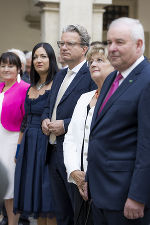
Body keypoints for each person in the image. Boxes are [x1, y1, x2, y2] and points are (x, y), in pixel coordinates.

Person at [85, 17, 150, 225]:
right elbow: (100, 133)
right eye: (109, 42)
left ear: (139, 44)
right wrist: (90, 179)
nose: (111, 48)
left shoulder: (146, 80)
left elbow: (147, 145)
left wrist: (138, 196)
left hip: (127, 197)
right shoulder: (113, 77)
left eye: (119, 42)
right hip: (101, 192)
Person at [41, 24, 97, 225]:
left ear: (84, 48)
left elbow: (93, 112)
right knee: (61, 212)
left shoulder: (91, 74)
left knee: (77, 213)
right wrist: (45, 119)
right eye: (61, 43)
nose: (63, 47)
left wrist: (65, 124)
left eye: (69, 44)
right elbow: (49, 105)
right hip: (53, 150)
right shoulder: (60, 74)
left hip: (74, 156)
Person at [63, 44, 114, 225]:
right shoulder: (85, 97)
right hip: (80, 183)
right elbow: (70, 138)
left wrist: (92, 179)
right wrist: (75, 172)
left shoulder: (119, 98)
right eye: (91, 61)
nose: (93, 64)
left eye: (100, 60)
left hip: (107, 185)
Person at [13, 42, 58, 225]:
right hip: (28, 144)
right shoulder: (31, 85)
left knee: (48, 195)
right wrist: (18, 148)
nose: (39, 60)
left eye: (43, 56)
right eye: (36, 56)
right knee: (35, 196)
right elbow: (24, 121)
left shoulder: (57, 83)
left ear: (51, 59)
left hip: (46, 143)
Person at [0, 52, 30, 225]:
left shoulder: (24, 88)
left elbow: (26, 121)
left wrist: (19, 147)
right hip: (0, 138)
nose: (6, 69)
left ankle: (13, 223)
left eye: (10, 66)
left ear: (19, 68)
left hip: (12, 141)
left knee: (11, 188)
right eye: (3, 65)